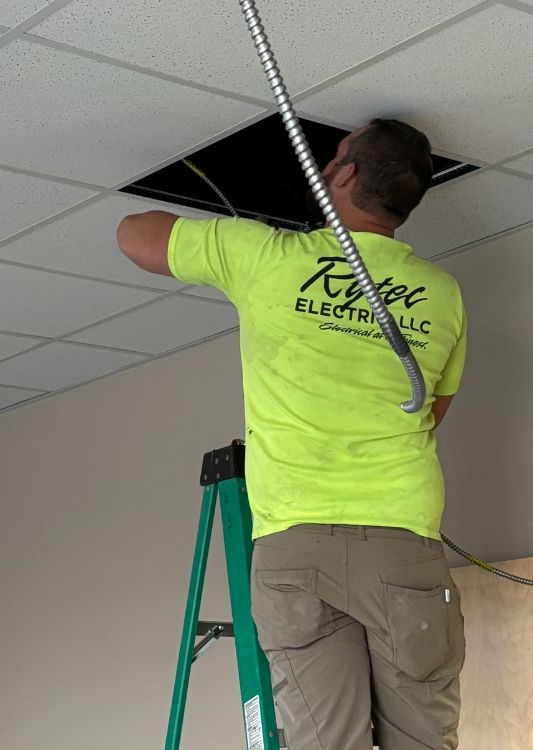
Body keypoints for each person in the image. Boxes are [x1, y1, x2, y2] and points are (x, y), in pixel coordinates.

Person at [117, 119, 467, 750]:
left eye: (333, 158)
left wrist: (246, 242)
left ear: (349, 175)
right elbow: (429, 409)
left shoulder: (268, 257)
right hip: (403, 540)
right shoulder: (442, 295)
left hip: (297, 544)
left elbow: (133, 236)